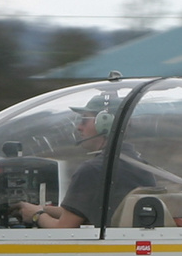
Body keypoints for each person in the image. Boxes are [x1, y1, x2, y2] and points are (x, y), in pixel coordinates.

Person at [16, 93, 145, 228]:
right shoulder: (139, 165)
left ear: (105, 124)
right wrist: (41, 209)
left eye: (84, 120)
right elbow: (79, 212)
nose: (78, 127)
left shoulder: (94, 170)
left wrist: (36, 216)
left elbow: (63, 229)